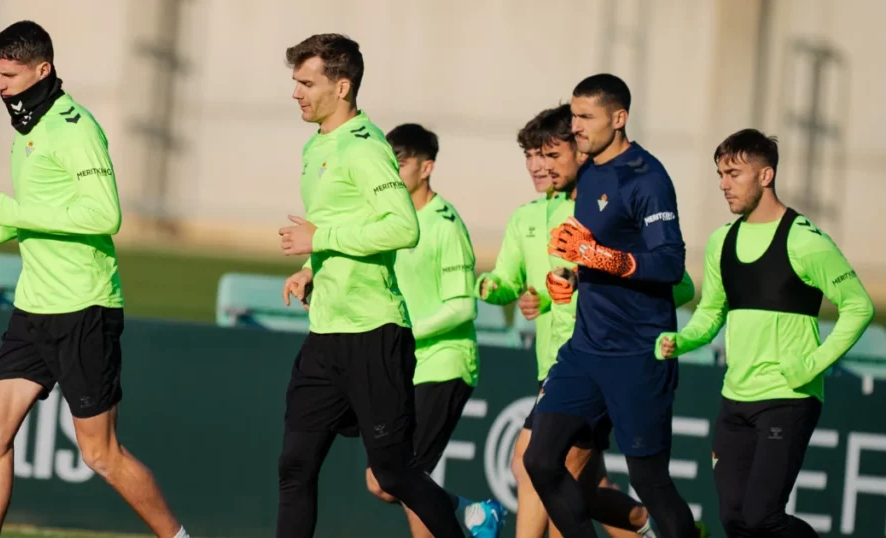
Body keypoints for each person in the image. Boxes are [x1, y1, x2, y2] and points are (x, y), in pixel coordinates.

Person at [0, 21, 189, 538]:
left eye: (9, 74)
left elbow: (104, 215)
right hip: (34, 307)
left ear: (42, 69)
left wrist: (19, 212)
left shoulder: (74, 128)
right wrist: (7, 225)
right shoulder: (30, 129)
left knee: (100, 454)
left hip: (82, 308)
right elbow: (47, 214)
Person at [275, 33, 466, 538]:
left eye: (306, 82)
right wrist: (312, 267)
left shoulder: (365, 147)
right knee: (295, 466)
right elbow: (344, 224)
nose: (296, 92)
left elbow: (403, 226)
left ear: (342, 86)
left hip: (373, 333)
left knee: (394, 472)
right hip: (326, 333)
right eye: (294, 81)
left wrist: (322, 236)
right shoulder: (315, 145)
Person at [480, 105, 693, 538]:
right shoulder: (532, 215)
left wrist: (598, 262)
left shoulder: (618, 196)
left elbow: (680, 281)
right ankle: (648, 525)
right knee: (578, 483)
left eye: (551, 154)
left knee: (536, 467)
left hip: (615, 356)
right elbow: (515, 280)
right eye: (532, 155)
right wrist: (524, 289)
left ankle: (654, 522)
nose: (540, 165)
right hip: (563, 363)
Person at [657, 129, 875, 537]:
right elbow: (711, 312)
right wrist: (681, 341)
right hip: (734, 399)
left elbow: (858, 305)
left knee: (763, 518)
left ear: (765, 175)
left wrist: (811, 364)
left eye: (734, 173)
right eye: (720, 173)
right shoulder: (722, 240)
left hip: (787, 400)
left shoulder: (805, 240)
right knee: (735, 521)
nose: (724, 184)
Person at [360, 123, 507, 538]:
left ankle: (472, 513)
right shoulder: (390, 219)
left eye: (400, 163)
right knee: (387, 480)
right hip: (403, 365)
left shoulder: (445, 225)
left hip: (444, 363)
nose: (392, 171)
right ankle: (473, 510)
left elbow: (463, 306)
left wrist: (408, 331)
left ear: (427, 168)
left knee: (405, 479)